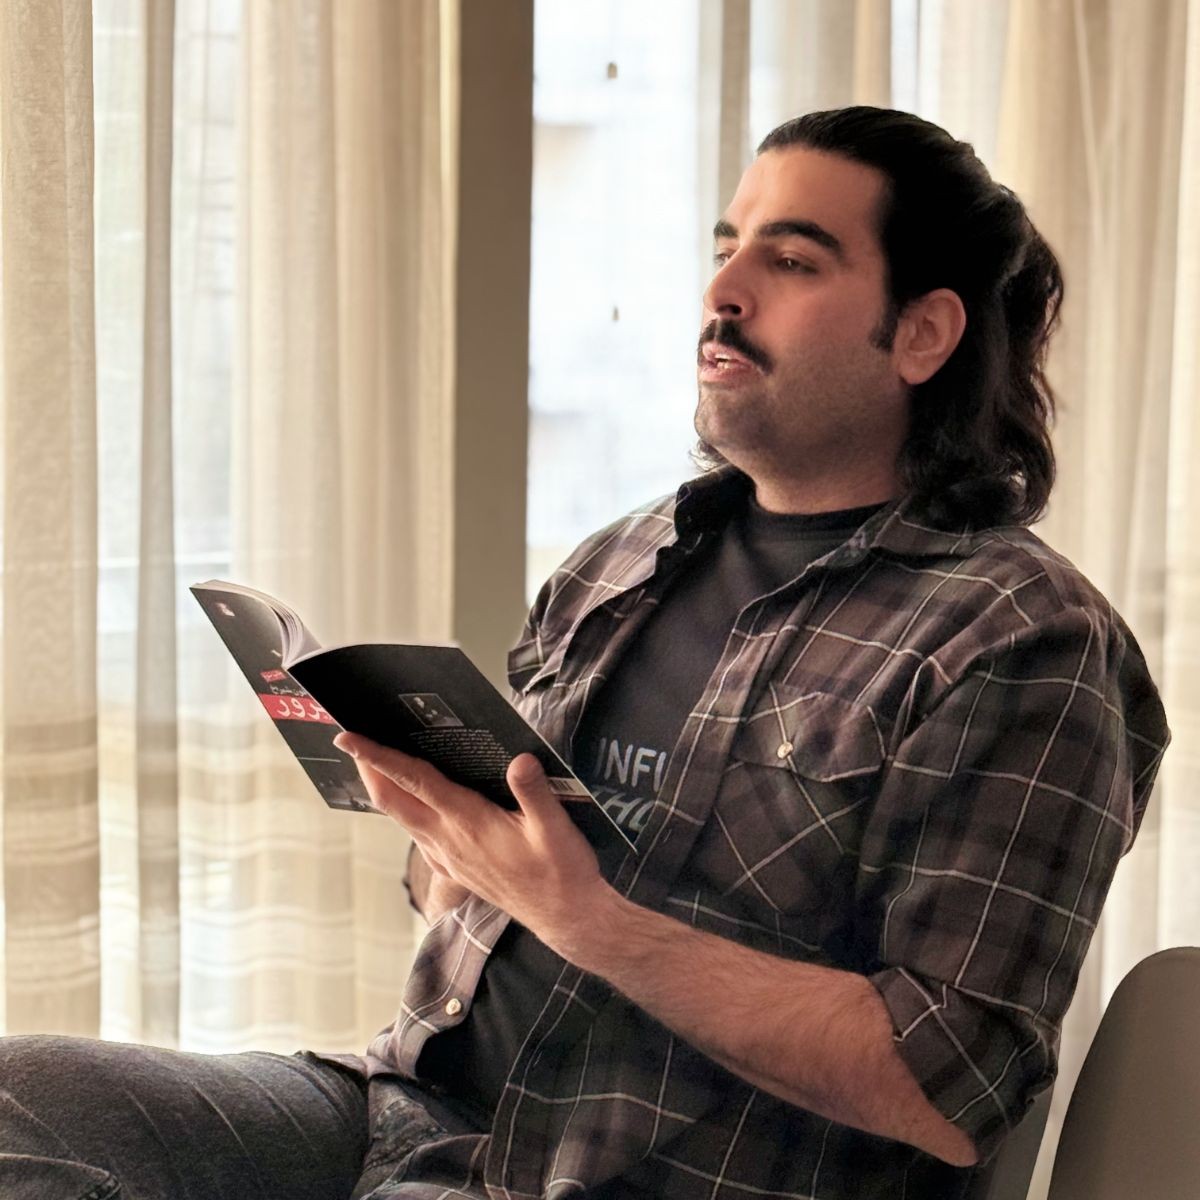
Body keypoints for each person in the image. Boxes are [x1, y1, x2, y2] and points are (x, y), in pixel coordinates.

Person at [0, 106, 1169, 1200]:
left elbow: (947, 1083)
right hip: (409, 1115)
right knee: (21, 1099)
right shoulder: (624, 558)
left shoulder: (1022, 643)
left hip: (647, 1180)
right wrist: (447, 842)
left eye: (792, 261)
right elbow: (471, 896)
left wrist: (591, 920)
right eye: (728, 248)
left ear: (921, 334)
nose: (723, 292)